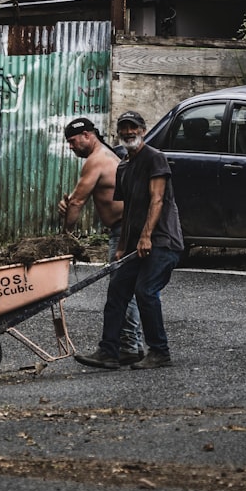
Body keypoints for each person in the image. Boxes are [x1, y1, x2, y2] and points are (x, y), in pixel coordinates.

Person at [75, 110, 183, 370]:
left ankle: (160, 352)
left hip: (163, 241)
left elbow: (156, 200)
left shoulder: (154, 158)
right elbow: (129, 210)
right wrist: (122, 247)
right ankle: (109, 352)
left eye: (133, 128)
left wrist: (146, 236)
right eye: (123, 128)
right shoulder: (123, 167)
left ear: (143, 130)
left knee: (145, 291)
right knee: (117, 291)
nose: (128, 132)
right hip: (136, 246)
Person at [58, 117, 145, 364]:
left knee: (120, 290)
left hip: (123, 231)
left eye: (73, 141)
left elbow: (76, 202)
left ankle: (128, 346)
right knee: (125, 289)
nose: (71, 147)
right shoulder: (104, 156)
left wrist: (65, 238)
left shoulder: (96, 161)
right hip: (123, 229)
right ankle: (132, 344)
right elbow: (74, 200)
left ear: (87, 135)